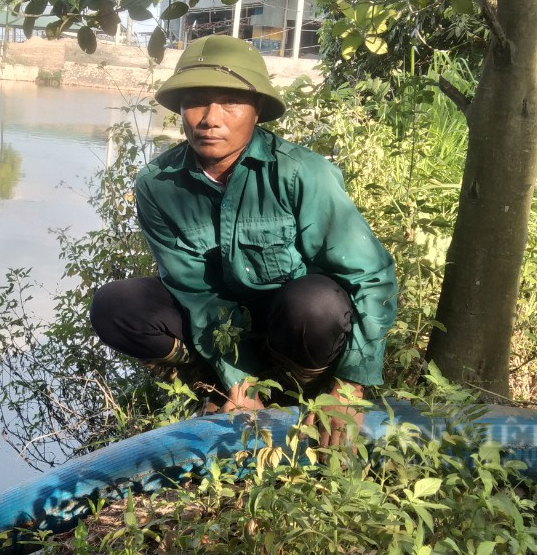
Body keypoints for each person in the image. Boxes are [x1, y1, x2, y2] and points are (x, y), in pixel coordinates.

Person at [90, 35, 397, 447]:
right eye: (196, 101)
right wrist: (241, 378)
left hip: (293, 326)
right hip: (220, 331)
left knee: (316, 302)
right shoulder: (157, 185)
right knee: (116, 306)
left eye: (231, 102)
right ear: (180, 110)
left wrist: (350, 387)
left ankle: (302, 392)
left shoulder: (301, 173)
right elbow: (195, 294)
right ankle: (217, 393)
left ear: (257, 112)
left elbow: (371, 276)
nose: (210, 118)